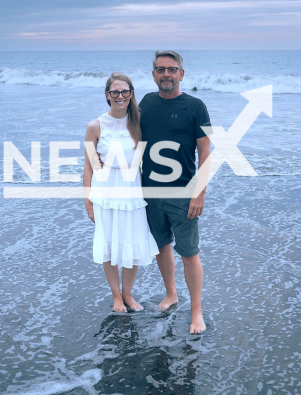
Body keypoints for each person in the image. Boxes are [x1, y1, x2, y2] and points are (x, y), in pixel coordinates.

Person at [139, 50, 212, 334]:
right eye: (160, 69)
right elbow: (129, 137)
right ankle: (171, 293)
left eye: (172, 69)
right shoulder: (145, 102)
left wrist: (199, 192)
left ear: (182, 74)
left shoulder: (195, 106)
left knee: (189, 252)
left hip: (183, 191)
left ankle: (197, 311)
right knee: (161, 245)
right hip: (149, 190)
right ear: (154, 73)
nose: (166, 74)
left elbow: (206, 150)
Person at [84, 73, 160, 313]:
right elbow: (88, 165)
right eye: (115, 92)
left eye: (124, 91)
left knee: (132, 242)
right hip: (105, 191)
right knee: (108, 244)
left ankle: (128, 294)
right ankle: (116, 296)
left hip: (132, 191)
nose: (120, 96)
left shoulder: (138, 123)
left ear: (131, 94)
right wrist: (87, 202)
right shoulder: (95, 125)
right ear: (107, 95)